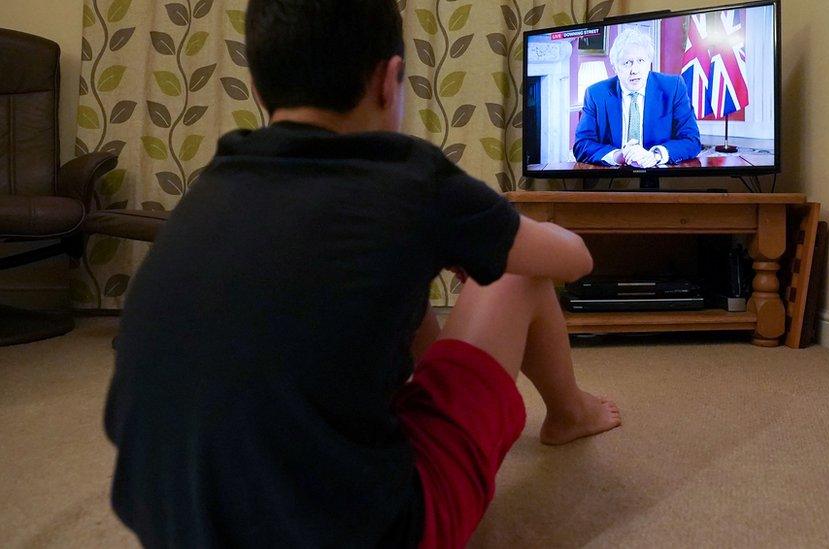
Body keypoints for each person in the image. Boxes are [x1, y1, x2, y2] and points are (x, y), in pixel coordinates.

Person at [103, 0, 621, 547]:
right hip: (368, 533)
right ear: (390, 80)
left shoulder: (213, 185)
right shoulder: (409, 178)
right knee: (519, 271)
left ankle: (444, 398)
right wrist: (500, 232)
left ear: (258, 90)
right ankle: (571, 413)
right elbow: (574, 259)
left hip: (165, 522)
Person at [573, 28, 702, 167]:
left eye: (640, 60)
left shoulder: (673, 87)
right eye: (627, 63)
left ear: (649, 62)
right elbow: (582, 144)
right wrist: (617, 155)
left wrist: (656, 155)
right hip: (614, 177)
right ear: (615, 67)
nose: (634, 70)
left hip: (659, 175)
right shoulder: (596, 94)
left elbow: (692, 140)